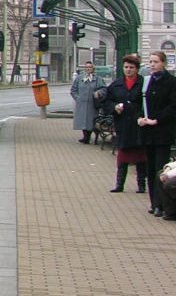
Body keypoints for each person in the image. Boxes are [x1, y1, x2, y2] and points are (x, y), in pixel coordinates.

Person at [137, 49, 176, 217]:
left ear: (164, 63)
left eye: (156, 62)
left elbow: (172, 107)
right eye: (151, 62)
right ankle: (154, 203)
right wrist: (139, 118)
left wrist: (157, 119)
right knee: (150, 167)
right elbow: (137, 102)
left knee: (160, 168)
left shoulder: (171, 82)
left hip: (162, 131)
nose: (152, 65)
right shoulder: (146, 81)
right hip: (147, 131)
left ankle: (162, 204)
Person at [105, 54, 147, 193]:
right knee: (122, 154)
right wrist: (114, 107)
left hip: (138, 124)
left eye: (131, 67)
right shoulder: (116, 84)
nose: (128, 70)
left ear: (137, 69)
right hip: (122, 123)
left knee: (140, 156)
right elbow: (107, 101)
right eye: (126, 67)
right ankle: (119, 184)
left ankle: (141, 184)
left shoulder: (143, 84)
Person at [70, 64, 101, 144]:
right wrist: (77, 97)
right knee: (82, 121)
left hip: (92, 104)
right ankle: (85, 137)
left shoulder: (98, 79)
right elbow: (73, 89)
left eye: (90, 67)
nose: (88, 69)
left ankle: (89, 136)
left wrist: (98, 93)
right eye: (86, 67)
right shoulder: (79, 78)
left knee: (91, 121)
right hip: (82, 104)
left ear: (93, 68)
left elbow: (103, 89)